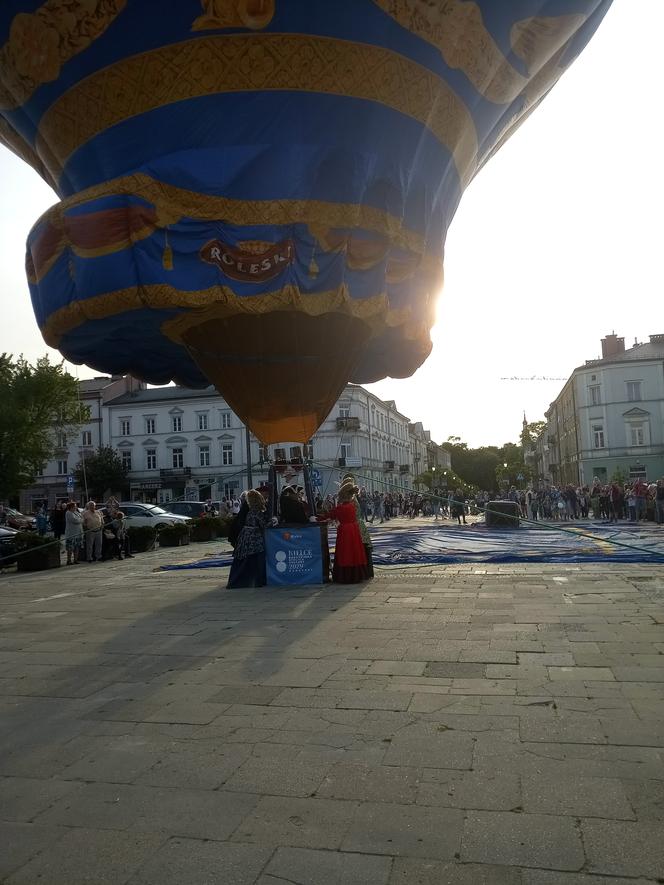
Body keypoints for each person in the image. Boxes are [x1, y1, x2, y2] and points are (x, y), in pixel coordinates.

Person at [320, 482, 371, 583]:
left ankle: (346, 576)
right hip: (354, 529)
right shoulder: (352, 505)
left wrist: (318, 518)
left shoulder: (341, 507)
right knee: (354, 551)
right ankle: (357, 574)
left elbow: (330, 515)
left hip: (345, 531)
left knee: (346, 552)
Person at [227, 489, 276, 588]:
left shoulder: (250, 511)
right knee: (258, 558)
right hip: (254, 537)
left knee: (245, 558)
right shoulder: (257, 512)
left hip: (245, 536)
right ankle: (259, 580)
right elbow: (264, 525)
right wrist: (273, 521)